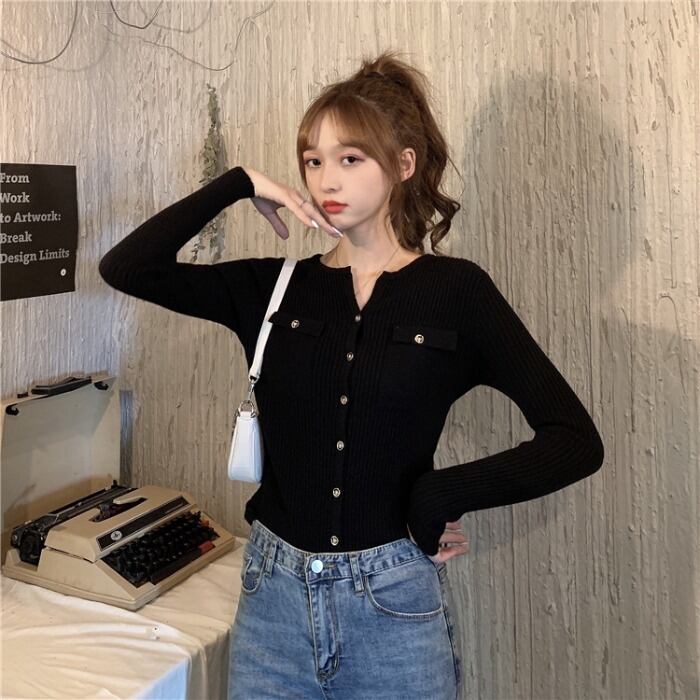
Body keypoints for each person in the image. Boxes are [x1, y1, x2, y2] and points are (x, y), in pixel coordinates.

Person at [99, 50, 604, 700]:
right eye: (313, 160)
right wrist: (238, 183)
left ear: (403, 164)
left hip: (394, 610)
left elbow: (573, 440)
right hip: (272, 602)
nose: (325, 178)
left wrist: (440, 494)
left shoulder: (456, 292)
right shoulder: (274, 288)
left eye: (350, 158)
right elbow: (127, 268)